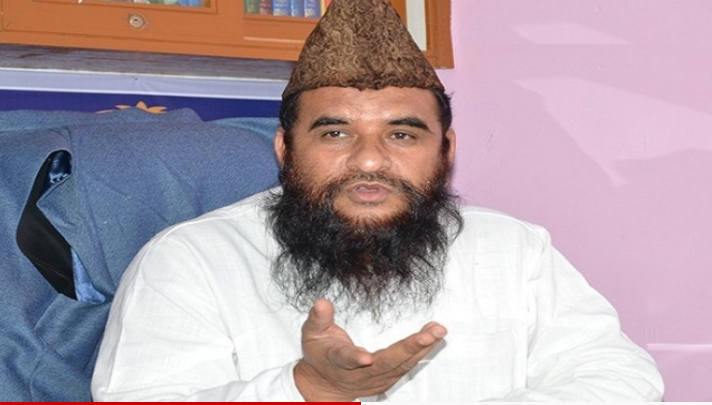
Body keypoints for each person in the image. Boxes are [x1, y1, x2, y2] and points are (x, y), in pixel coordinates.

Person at [91, 0, 664, 401]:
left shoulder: (514, 248)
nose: (369, 160)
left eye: (403, 134)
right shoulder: (191, 260)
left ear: (446, 150)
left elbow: (620, 380)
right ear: (285, 149)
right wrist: (309, 388)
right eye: (335, 133)